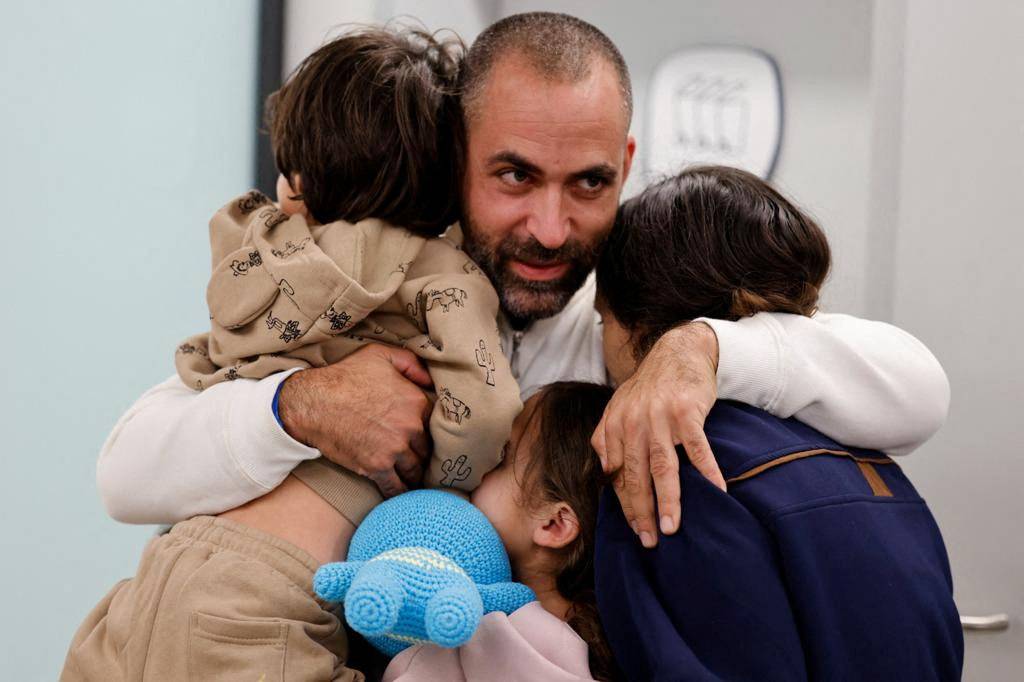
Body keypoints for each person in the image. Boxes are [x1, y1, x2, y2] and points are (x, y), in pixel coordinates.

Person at [95, 12, 950, 559]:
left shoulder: (629, 324)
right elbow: (125, 473)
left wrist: (704, 349)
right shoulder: (365, 290)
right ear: (455, 162)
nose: (551, 227)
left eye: (587, 183)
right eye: (514, 176)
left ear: (625, 164)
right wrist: (301, 406)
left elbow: (917, 392)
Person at [63, 24, 514, 681]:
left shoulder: (263, 262)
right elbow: (487, 412)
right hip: (267, 600)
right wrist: (433, 491)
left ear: (297, 182)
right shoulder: (438, 275)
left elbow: (201, 373)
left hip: (156, 582)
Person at [592, 166, 963, 680]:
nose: (601, 345)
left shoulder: (673, 471)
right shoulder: (871, 465)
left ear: (640, 319)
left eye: (603, 320)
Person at [385, 381, 619, 681]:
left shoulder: (512, 636)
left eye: (500, 458)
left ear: (554, 524)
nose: (475, 469)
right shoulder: (595, 645)